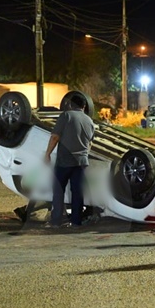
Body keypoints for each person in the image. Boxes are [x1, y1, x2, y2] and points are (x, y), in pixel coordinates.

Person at [43, 93, 94, 228]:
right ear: (84, 106)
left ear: (71, 105)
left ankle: (56, 221)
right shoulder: (89, 121)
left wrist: (47, 153)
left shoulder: (66, 116)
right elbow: (90, 143)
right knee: (77, 192)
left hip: (65, 161)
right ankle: (76, 222)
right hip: (81, 162)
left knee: (58, 190)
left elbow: (55, 137)